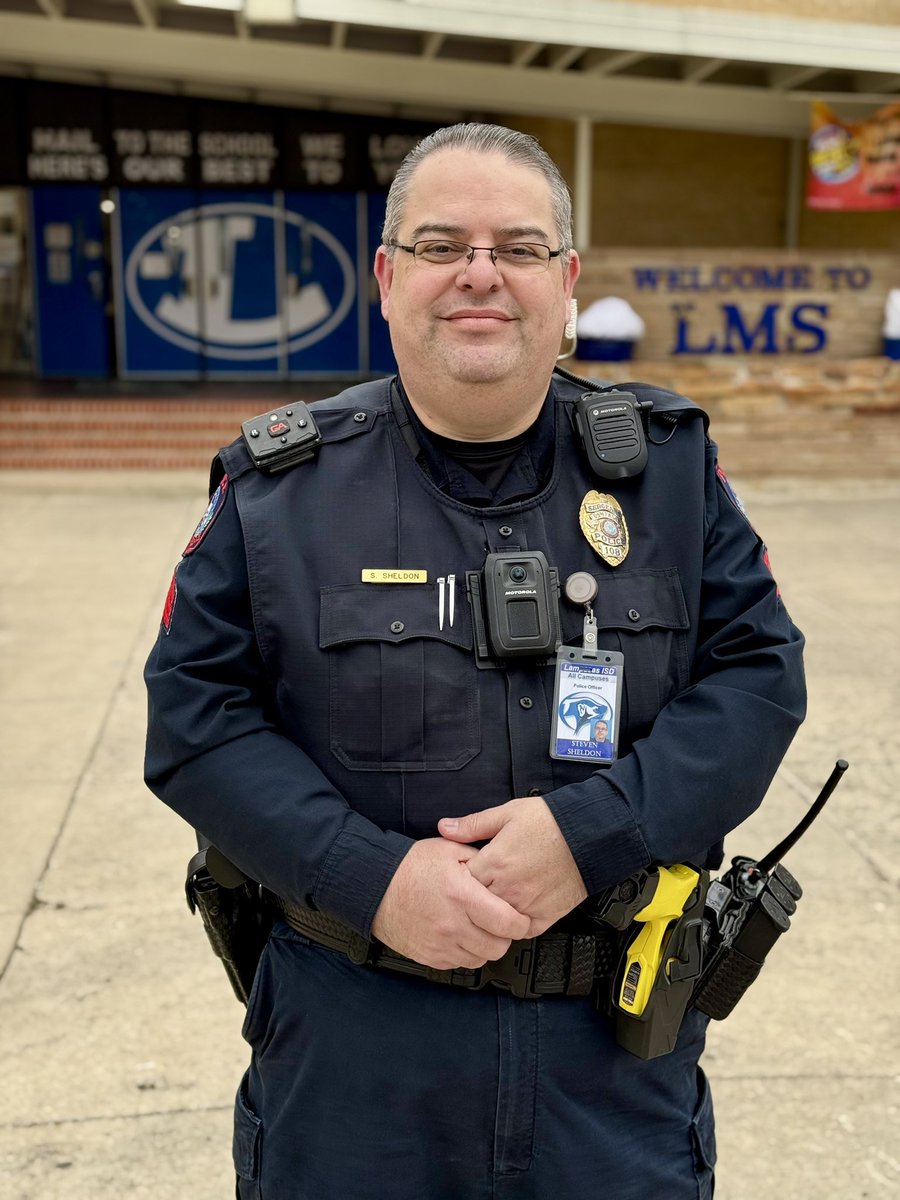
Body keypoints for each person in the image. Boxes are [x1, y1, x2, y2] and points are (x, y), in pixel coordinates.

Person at [144, 122, 806, 1200]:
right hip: (353, 1070)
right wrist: (374, 877)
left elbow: (760, 675)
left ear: (568, 281)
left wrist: (597, 833)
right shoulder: (275, 495)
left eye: (520, 247)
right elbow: (194, 719)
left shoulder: (673, 475)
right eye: (444, 244)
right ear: (388, 276)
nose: (481, 276)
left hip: (612, 1072)